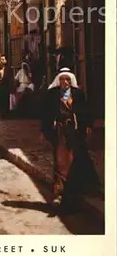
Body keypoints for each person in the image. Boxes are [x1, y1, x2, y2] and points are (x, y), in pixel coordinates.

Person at [40, 68, 99, 213]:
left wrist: (88, 125)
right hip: (60, 132)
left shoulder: (78, 94)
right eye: (62, 79)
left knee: (75, 160)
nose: (64, 82)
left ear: (71, 81)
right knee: (61, 162)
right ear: (58, 81)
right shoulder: (52, 95)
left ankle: (74, 195)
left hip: (75, 132)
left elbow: (85, 110)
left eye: (67, 80)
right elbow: (45, 113)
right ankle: (59, 195)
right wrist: (44, 130)